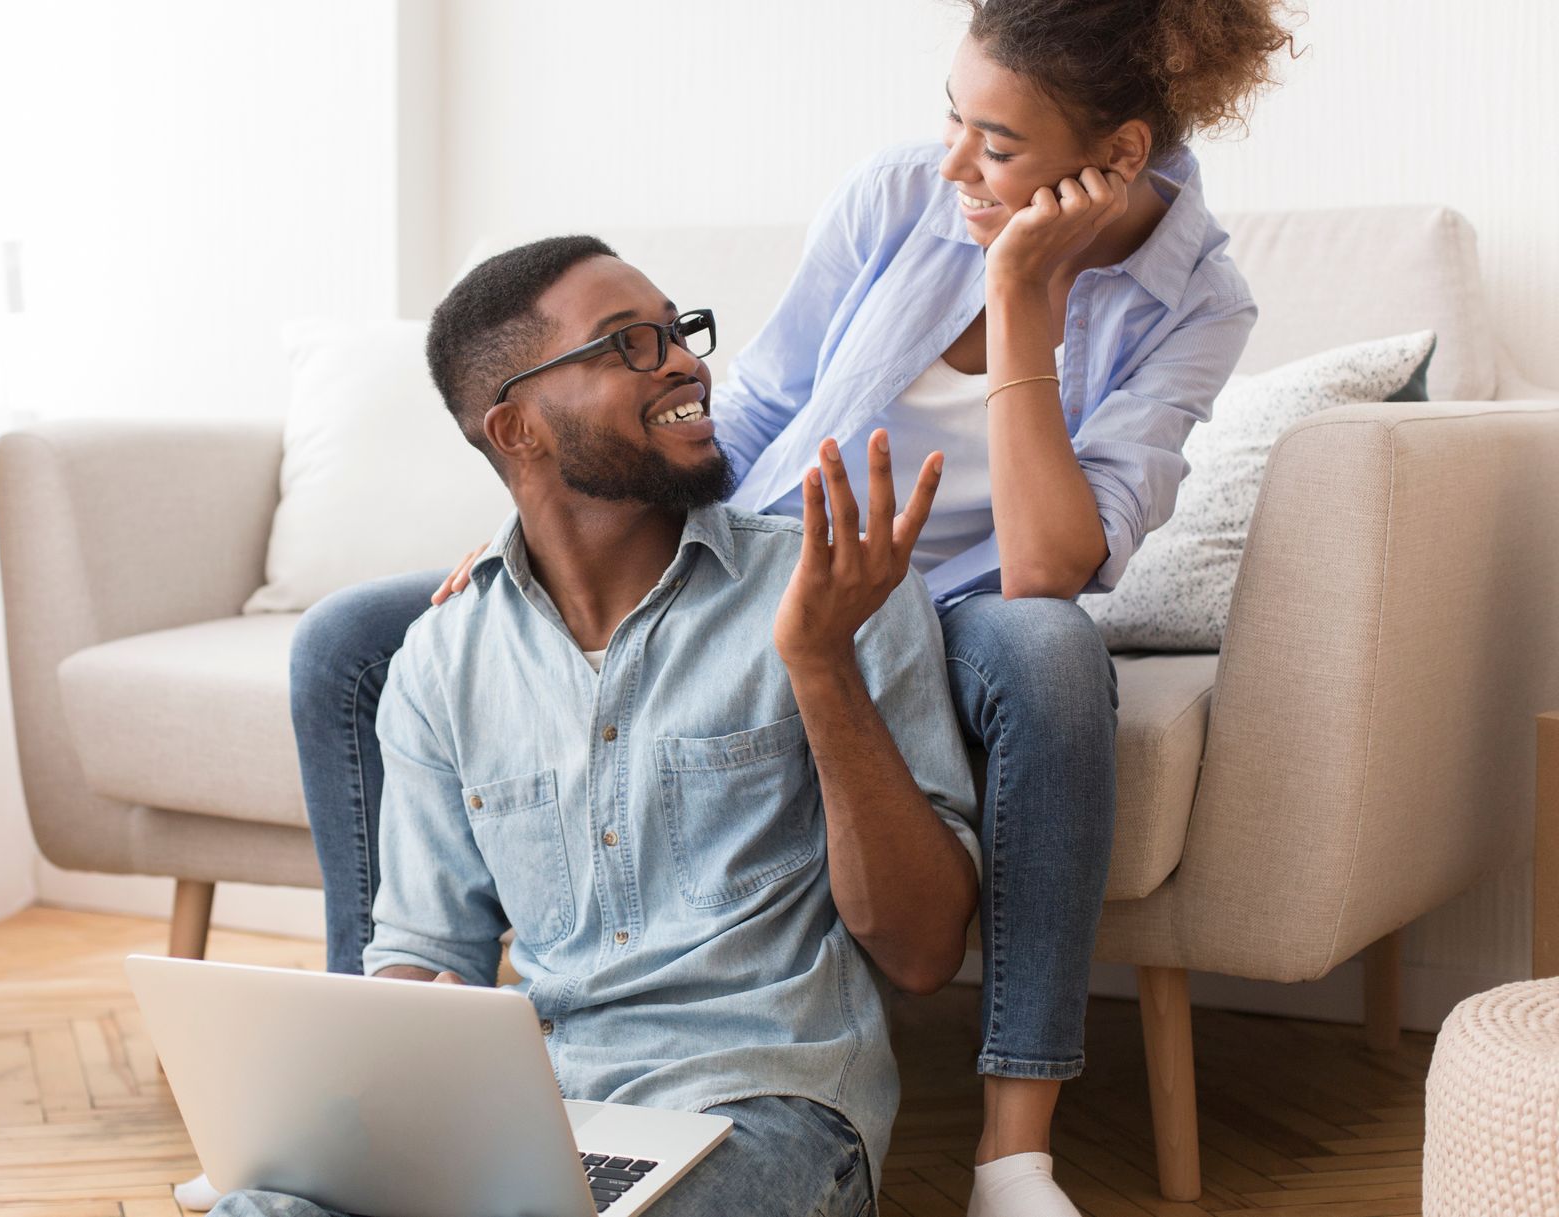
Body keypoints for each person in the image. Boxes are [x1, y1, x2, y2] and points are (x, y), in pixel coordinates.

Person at [286, 3, 1296, 1213]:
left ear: (1118, 158)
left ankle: (1012, 1151)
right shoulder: (895, 198)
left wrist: (1022, 289)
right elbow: (757, 402)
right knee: (355, 636)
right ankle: (376, 1070)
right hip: (773, 545)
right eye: (952, 120)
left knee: (1050, 650)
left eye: (997, 145)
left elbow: (1048, 563)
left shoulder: (1198, 303)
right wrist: (563, 534)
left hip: (962, 598)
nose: (954, 166)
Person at [217, 238, 980, 1217]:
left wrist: (822, 665)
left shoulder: (842, 594)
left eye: (677, 331)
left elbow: (922, 952)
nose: (684, 362)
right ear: (519, 429)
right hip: (535, 1122)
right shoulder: (442, 660)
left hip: (764, 1115)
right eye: (627, 344)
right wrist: (371, 1127)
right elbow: (425, 952)